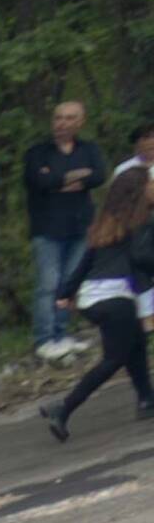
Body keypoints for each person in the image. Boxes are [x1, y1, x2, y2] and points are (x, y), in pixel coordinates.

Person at [46, 120, 154, 439]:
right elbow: (140, 258)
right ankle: (63, 408)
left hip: (94, 297)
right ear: (139, 191)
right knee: (114, 358)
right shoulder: (143, 223)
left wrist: (66, 292)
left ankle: (147, 399)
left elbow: (87, 258)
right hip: (115, 296)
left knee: (135, 345)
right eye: (150, 184)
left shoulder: (111, 220)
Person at [28, 98, 107, 353]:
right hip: (48, 229)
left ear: (80, 122)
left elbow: (99, 175)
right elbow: (39, 181)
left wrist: (60, 181)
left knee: (70, 284)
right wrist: (74, 176)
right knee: (48, 285)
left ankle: (61, 334)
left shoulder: (89, 149)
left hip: (80, 227)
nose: (62, 123)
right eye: (58, 118)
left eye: (69, 118)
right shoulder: (38, 152)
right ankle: (44, 339)